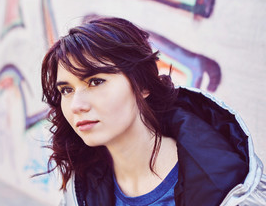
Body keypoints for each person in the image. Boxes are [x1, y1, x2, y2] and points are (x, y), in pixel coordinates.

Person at [40, 17, 266, 206]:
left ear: (142, 85)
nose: (76, 105)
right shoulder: (80, 187)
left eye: (96, 81)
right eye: (67, 90)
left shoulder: (229, 187)